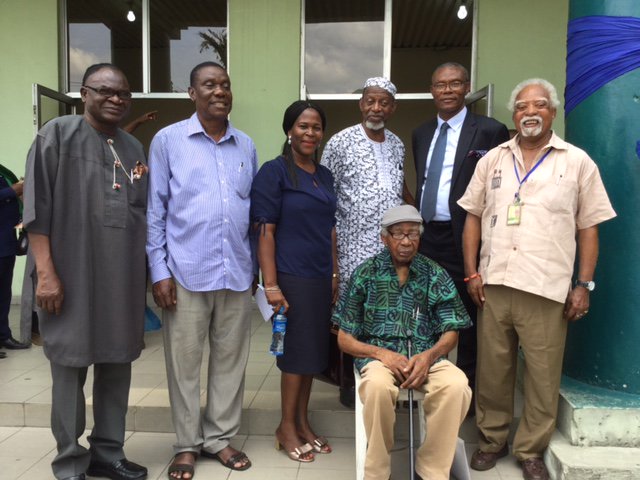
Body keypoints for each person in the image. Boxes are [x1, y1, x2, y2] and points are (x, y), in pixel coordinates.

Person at [458, 78, 616, 480]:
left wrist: (583, 284)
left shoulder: (577, 161)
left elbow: (589, 227)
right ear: (513, 115)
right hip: (494, 284)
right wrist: (472, 271)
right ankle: (492, 440)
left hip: (546, 287)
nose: (530, 112)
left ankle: (530, 450)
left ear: (553, 112)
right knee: (493, 371)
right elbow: (472, 217)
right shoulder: (492, 159)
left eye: (540, 105)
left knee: (543, 374)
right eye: (522, 106)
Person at [22, 63, 148, 480]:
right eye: (106, 91)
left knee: (117, 364)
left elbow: (139, 212)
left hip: (120, 278)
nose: (116, 99)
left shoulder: (132, 148)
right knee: (69, 367)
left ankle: (108, 453)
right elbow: (35, 212)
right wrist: (46, 273)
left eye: (124, 94)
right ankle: (70, 460)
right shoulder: (56, 135)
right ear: (84, 94)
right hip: (68, 275)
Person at [146, 61, 258, 479]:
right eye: (209, 85)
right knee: (184, 365)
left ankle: (220, 438)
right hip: (185, 273)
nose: (219, 91)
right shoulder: (168, 140)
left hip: (235, 273)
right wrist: (159, 271)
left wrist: (253, 272)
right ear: (191, 93)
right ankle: (187, 444)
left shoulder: (245, 144)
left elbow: (248, 213)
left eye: (225, 84)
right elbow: (156, 211)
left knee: (231, 361)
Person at [335, 204, 472, 480]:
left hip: (426, 357)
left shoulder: (435, 274)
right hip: (379, 359)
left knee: (457, 385)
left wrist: (429, 357)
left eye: (413, 234)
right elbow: (344, 338)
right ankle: (377, 472)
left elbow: (451, 332)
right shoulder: (366, 274)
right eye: (398, 234)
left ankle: (431, 471)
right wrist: (382, 354)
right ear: (384, 238)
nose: (406, 241)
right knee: (375, 387)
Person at [413, 62, 509, 399]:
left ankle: (465, 395)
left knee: (467, 319)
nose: (448, 90)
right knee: (423, 314)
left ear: (466, 87)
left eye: (455, 84)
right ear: (432, 90)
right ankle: (424, 384)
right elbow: (424, 181)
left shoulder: (489, 131)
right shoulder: (421, 133)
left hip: (465, 238)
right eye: (441, 85)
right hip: (426, 239)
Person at [251, 100, 338, 463]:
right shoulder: (275, 172)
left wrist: (334, 273)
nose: (310, 133)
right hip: (290, 276)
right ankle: (286, 427)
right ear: (289, 130)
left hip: (319, 277)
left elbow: (330, 228)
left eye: (316, 127)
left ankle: (302, 423)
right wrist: (271, 285)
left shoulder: (324, 174)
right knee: (293, 355)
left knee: (312, 356)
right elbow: (264, 232)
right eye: (303, 126)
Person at [321, 77, 412, 408]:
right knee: (351, 317)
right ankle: (348, 385)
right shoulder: (340, 142)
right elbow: (324, 195)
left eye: (384, 102)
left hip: (389, 251)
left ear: (393, 107)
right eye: (371, 101)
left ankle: (383, 380)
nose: (377, 108)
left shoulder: (397, 144)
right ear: (361, 104)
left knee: (386, 314)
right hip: (351, 249)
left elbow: (400, 188)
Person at [0, 164, 29, 357]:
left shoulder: (2, 171)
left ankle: (3, 336)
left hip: (5, 241)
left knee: (3, 293)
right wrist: (14, 190)